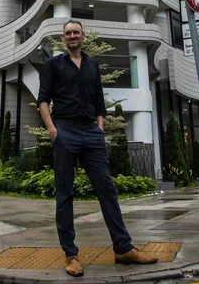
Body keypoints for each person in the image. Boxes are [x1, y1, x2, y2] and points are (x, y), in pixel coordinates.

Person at [37, 19, 158, 278]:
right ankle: (70, 254)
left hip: (91, 132)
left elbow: (99, 98)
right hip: (65, 130)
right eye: (68, 33)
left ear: (82, 36)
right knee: (65, 194)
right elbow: (43, 100)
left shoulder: (92, 65)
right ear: (63, 37)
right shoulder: (53, 65)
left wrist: (100, 126)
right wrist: (52, 130)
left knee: (107, 190)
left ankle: (123, 248)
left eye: (76, 32)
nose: (72, 36)